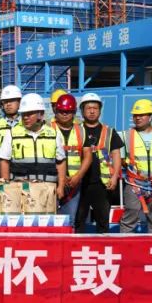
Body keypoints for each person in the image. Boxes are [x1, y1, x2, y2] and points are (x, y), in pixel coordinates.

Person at [0, 93, 66, 201]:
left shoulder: (54, 134)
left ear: (41, 114)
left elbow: (60, 162)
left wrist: (61, 187)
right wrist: (6, 187)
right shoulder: (12, 134)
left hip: (47, 191)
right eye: (23, 114)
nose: (25, 117)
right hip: (20, 192)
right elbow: (4, 161)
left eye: (29, 114)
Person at [120, 99, 152, 234]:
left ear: (150, 117)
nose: (137, 118)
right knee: (130, 216)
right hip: (134, 183)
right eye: (135, 115)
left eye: (142, 115)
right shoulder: (126, 135)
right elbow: (121, 160)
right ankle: (124, 244)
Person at [75, 92, 124, 234]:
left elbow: (116, 154)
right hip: (80, 183)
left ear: (100, 110)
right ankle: (77, 247)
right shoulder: (76, 130)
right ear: (82, 110)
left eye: (95, 108)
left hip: (102, 184)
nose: (92, 111)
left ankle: (103, 246)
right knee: (79, 220)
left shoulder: (109, 132)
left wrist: (114, 177)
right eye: (88, 108)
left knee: (103, 221)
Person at [49, 93, 92, 226]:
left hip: (73, 183)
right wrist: (61, 178)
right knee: (49, 219)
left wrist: (77, 177)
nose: (64, 114)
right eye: (61, 111)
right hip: (52, 181)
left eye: (68, 111)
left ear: (73, 112)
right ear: (56, 110)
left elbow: (88, 156)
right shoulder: (48, 129)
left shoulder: (81, 130)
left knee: (69, 220)